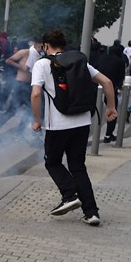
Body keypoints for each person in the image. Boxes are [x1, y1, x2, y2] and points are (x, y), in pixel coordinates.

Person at [31, 30, 116, 226]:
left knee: (52, 162)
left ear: (45, 46)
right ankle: (92, 212)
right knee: (78, 166)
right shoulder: (79, 62)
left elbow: (36, 94)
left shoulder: (42, 64)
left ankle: (69, 195)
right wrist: (111, 108)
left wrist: (36, 120)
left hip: (58, 125)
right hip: (82, 122)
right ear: (64, 44)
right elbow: (107, 82)